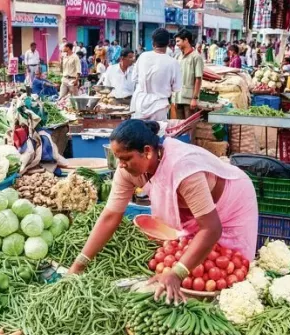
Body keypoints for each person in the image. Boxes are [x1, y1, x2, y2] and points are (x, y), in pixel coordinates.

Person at [68, 119, 258, 303]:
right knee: (197, 260)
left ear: (148, 152)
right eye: (118, 159)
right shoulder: (127, 171)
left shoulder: (182, 167)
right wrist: (79, 264)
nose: (121, 165)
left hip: (231, 202)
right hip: (194, 211)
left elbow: (211, 228)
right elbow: (110, 216)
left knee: (232, 269)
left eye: (126, 158)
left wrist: (177, 273)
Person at [130, 28, 181, 121]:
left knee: (138, 133)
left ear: (153, 43)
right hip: (159, 107)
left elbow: (134, 78)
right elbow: (176, 88)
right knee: (157, 133)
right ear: (168, 43)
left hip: (140, 104)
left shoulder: (143, 56)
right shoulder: (173, 63)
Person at [174, 29, 204, 119]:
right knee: (180, 126)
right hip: (178, 97)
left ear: (186, 40)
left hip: (189, 99)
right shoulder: (177, 57)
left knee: (189, 127)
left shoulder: (196, 57)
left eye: (178, 41)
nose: (176, 44)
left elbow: (198, 79)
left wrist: (194, 98)